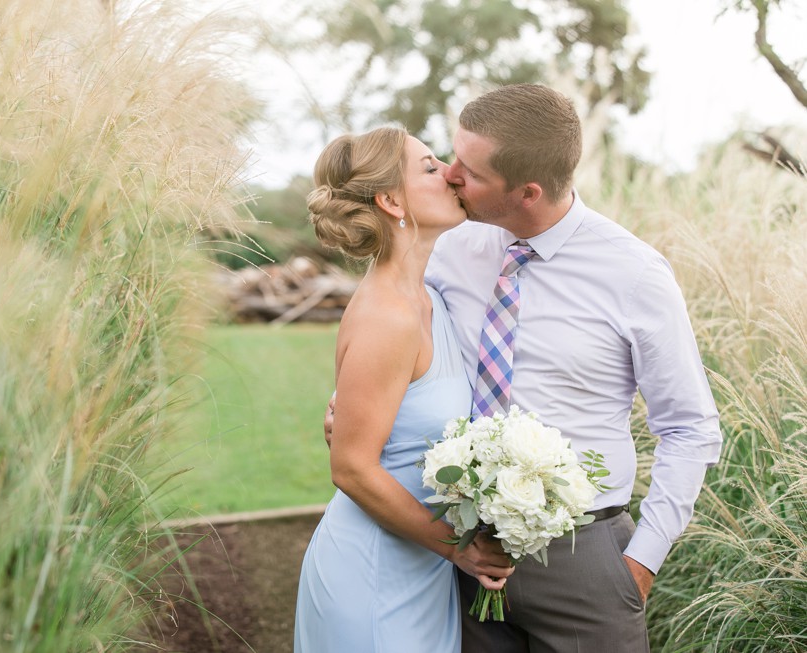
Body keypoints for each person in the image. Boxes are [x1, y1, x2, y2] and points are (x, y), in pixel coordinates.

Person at [324, 84, 723, 652]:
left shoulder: (635, 275)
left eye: (471, 170)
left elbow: (690, 427)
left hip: (583, 560)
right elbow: (393, 335)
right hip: (456, 556)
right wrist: (351, 406)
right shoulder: (447, 245)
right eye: (450, 156)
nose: (452, 174)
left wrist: (638, 565)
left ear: (527, 191)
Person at [293, 126, 515, 653]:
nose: (450, 174)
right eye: (430, 166)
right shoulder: (386, 316)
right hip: (373, 574)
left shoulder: (431, 297)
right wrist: (458, 550)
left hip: (421, 571)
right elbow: (351, 467)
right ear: (391, 200)